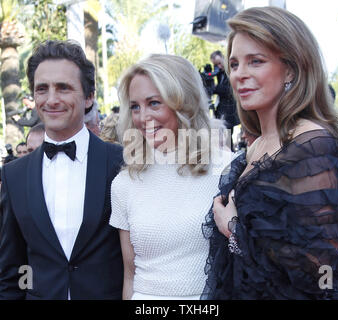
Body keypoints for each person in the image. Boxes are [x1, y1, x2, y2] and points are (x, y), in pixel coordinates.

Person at [202, 6, 338, 300]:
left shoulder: (310, 142)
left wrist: (233, 231)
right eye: (234, 65)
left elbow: (318, 271)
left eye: (255, 61)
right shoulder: (258, 143)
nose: (239, 75)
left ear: (291, 69)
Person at [0, 39, 124, 300]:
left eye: (64, 88)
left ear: (89, 97)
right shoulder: (14, 176)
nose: (51, 99)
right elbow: (13, 268)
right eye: (42, 89)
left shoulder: (120, 163)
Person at [109, 54, 232, 300]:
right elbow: (130, 275)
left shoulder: (226, 169)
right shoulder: (124, 183)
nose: (143, 117)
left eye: (154, 103)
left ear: (184, 102)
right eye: (135, 106)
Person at [210, 50, 240, 151]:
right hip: (223, 110)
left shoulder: (232, 71)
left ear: (224, 59)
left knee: (227, 139)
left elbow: (229, 90)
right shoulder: (220, 73)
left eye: (219, 63)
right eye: (215, 65)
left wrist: (214, 89)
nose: (218, 66)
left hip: (231, 110)